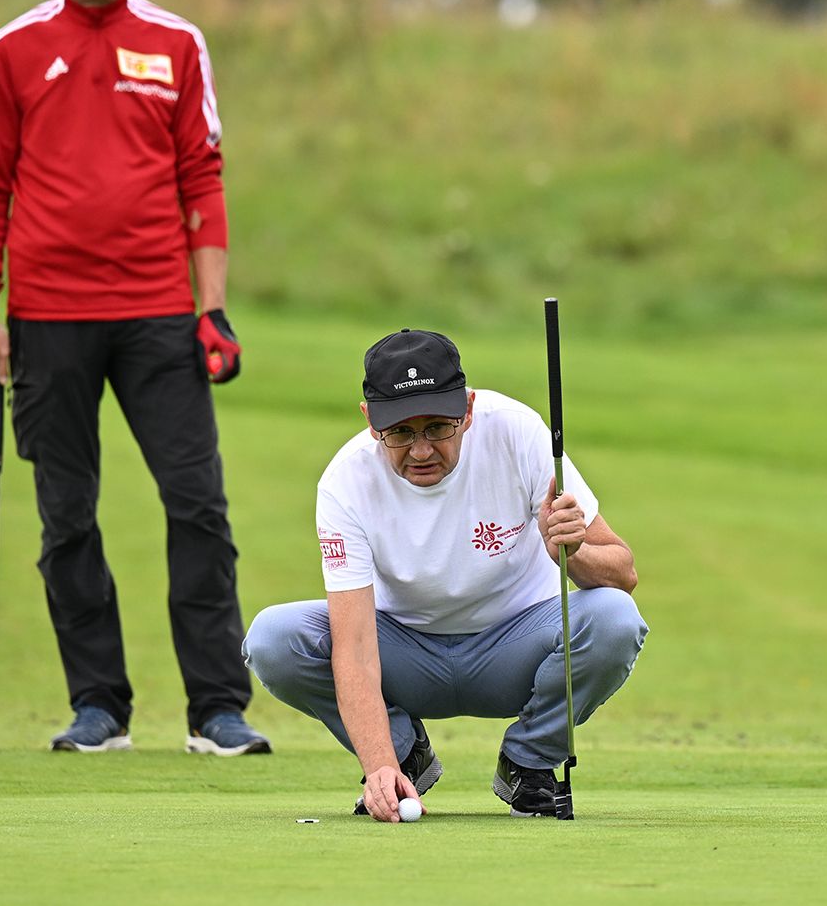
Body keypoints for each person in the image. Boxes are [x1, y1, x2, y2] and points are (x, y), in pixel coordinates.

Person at [0, 0, 268, 756]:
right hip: (49, 319)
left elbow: (201, 177)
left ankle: (218, 706)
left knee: (197, 505)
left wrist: (213, 310)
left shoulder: (177, 44)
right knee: (68, 516)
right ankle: (98, 705)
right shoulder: (13, 48)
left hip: (157, 315)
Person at [243, 328, 648, 820]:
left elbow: (622, 572)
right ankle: (403, 759)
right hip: (405, 655)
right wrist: (377, 763)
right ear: (371, 421)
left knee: (615, 618)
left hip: (518, 649)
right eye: (401, 432)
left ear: (469, 409)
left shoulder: (518, 432)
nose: (420, 451)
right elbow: (352, 642)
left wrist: (573, 551)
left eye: (438, 427)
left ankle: (530, 761)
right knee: (275, 637)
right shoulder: (345, 482)